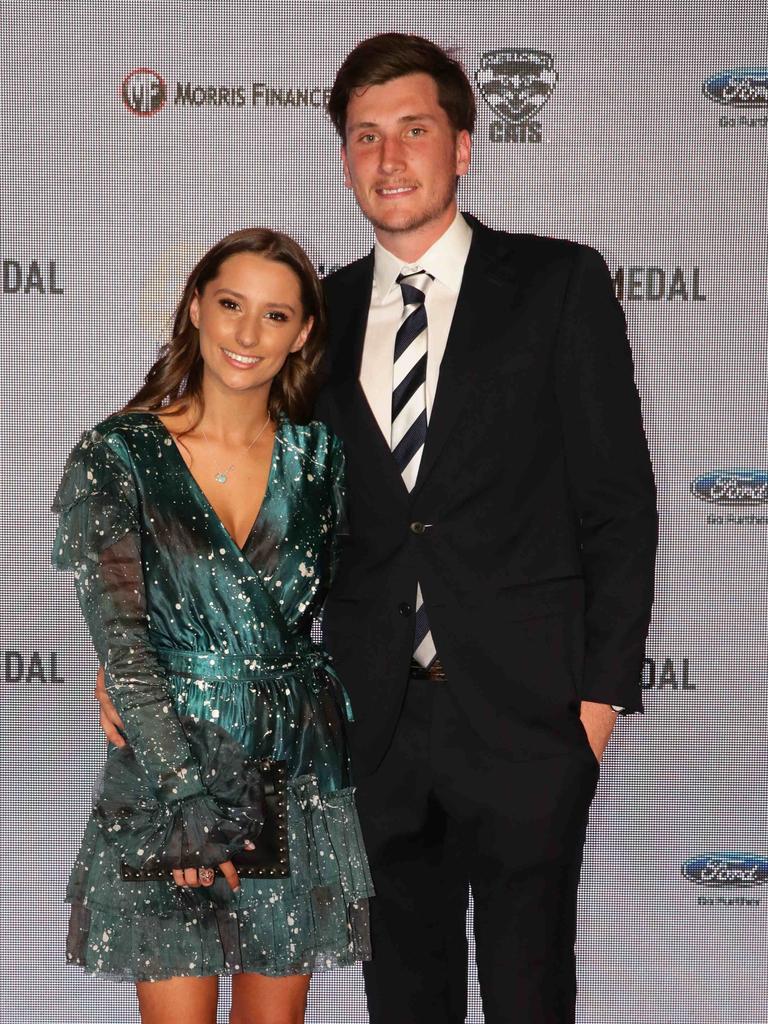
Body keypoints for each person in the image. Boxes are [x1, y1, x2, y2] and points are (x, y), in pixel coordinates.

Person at [314, 34, 658, 1024]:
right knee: (403, 1000)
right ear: (345, 159)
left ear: (462, 145)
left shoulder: (557, 286)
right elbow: (276, 517)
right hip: (376, 730)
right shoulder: (317, 316)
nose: (389, 158)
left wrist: (594, 709)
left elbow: (618, 506)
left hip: (528, 725)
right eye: (365, 137)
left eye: (413, 130)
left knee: (528, 998)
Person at [52, 228, 373, 1024]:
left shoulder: (321, 458)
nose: (245, 333)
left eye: (274, 316)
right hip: (169, 772)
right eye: (231, 304)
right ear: (195, 306)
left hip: (291, 768)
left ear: (301, 334)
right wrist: (188, 797)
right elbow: (123, 643)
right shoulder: (118, 455)